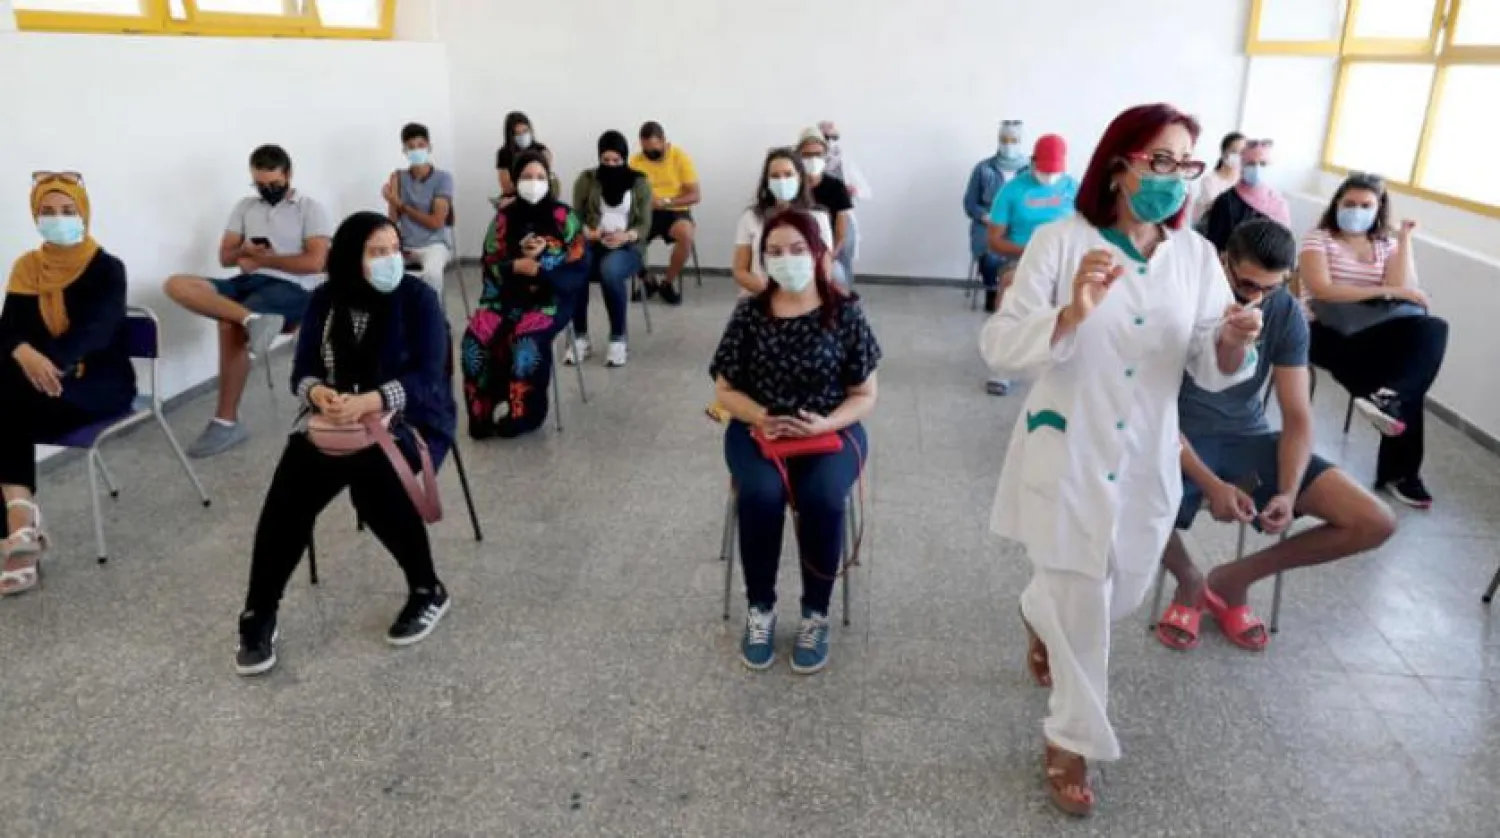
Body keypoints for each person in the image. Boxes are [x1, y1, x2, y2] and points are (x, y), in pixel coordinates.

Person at [979, 103, 1262, 816]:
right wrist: (1070, 313)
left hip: (1147, 459)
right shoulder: (1059, 242)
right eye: (1160, 160)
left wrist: (1235, 337)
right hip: (1066, 447)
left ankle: (1033, 607)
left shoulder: (1196, 257)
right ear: (1120, 164)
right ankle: (1070, 738)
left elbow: (1208, 360)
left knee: (1123, 589)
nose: (1174, 177)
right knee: (1084, 605)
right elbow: (1000, 347)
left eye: (1185, 164)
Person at [1154, 220, 1396, 652]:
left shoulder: (1283, 312)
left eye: (1270, 286)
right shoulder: (1183, 298)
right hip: (1171, 438)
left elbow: (1298, 415)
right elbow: (1152, 412)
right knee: (1122, 492)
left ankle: (1233, 580)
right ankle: (1188, 578)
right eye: (1246, 284)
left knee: (1374, 521)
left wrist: (1287, 490)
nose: (1255, 297)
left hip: (1247, 437)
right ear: (1223, 260)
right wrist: (1211, 484)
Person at [234, 211, 455, 676]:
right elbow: (304, 370)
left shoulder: (418, 298)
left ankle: (426, 589)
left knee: (373, 481)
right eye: (377, 252)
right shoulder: (325, 301)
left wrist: (373, 399)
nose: (390, 259)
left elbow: (430, 376)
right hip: (335, 422)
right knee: (288, 494)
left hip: (411, 419)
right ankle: (259, 611)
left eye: (394, 249)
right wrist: (318, 393)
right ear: (351, 257)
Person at [712, 209, 881, 675]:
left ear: (820, 253)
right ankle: (761, 609)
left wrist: (824, 425)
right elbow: (723, 391)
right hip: (757, 431)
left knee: (823, 498)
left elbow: (865, 395)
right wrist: (763, 417)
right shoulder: (749, 314)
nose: (785, 260)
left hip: (833, 432)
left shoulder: (844, 312)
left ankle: (815, 614)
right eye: (774, 251)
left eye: (797, 250)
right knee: (761, 496)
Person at [0, 173, 135, 596]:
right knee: (8, 401)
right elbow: (9, 330)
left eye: (67, 211)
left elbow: (97, 331)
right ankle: (20, 529)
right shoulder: (27, 268)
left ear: (84, 213)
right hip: (33, 382)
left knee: (5, 406)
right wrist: (23, 352)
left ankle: (19, 525)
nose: (58, 219)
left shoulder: (106, 268)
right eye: (47, 212)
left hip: (98, 380)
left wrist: (49, 362)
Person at [163, 144, 334, 458]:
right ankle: (252, 320)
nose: (267, 190)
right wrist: (245, 252)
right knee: (177, 284)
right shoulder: (245, 207)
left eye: (274, 184)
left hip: (295, 289)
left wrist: (268, 261)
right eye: (260, 184)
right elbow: (225, 257)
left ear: (288, 175)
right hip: (247, 282)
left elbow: (314, 263)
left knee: (229, 325)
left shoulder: (310, 208)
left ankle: (225, 422)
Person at [1301, 172, 1447, 509]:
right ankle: (1402, 473)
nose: (1356, 210)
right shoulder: (1319, 238)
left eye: (1365, 205)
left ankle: (1389, 398)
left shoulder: (1385, 243)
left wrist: (1405, 239)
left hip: (1373, 329)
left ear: (1378, 208)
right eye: (1349, 203)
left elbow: (1404, 284)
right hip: (1324, 328)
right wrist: (1387, 290)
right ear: (1336, 203)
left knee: (1433, 329)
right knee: (1398, 383)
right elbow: (1322, 289)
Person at [461, 150, 587, 438]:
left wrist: (543, 266)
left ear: (550, 180)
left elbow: (578, 264)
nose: (534, 183)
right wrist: (514, 265)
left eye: (540, 177)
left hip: (550, 299)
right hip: (504, 295)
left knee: (526, 339)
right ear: (516, 181)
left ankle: (524, 415)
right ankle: (481, 412)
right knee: (476, 337)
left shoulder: (564, 216)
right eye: (527, 177)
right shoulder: (504, 218)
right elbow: (490, 260)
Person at [982, 134, 1078, 396]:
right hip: (1019, 255)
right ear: (1033, 162)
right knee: (1011, 283)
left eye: (1055, 171)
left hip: (1065, 258)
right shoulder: (1012, 191)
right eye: (1045, 170)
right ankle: (1002, 365)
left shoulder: (1073, 188)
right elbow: (994, 241)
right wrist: (1034, 251)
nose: (1050, 176)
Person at [567, 130, 653, 368]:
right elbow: (574, 219)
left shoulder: (639, 181)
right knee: (575, 266)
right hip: (594, 242)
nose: (611, 165)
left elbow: (645, 224)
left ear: (625, 158)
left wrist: (626, 236)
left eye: (616, 160)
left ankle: (618, 338)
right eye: (606, 160)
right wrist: (589, 232)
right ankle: (580, 337)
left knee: (610, 270)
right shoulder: (587, 179)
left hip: (628, 248)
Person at [732, 148, 836, 295]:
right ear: (767, 182)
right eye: (775, 176)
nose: (782, 181)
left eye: (788, 175)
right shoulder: (751, 217)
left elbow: (825, 270)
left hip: (804, 298)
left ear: (799, 178)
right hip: (759, 297)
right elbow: (740, 271)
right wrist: (768, 293)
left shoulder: (819, 218)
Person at [630, 121, 699, 305]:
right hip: (647, 212)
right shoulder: (636, 161)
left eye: (654, 150)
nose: (650, 155)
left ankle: (667, 283)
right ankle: (648, 281)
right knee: (623, 236)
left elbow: (695, 195)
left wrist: (665, 202)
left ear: (664, 142)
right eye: (646, 150)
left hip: (674, 210)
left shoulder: (679, 157)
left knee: (686, 234)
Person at [384, 122, 454, 297]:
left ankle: (435, 319)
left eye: (421, 145)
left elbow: (436, 222)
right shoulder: (398, 177)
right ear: (404, 151)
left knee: (431, 274)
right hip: (405, 244)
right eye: (411, 147)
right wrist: (392, 202)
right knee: (383, 273)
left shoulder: (442, 178)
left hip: (434, 244)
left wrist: (401, 205)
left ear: (429, 147)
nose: (416, 150)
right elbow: (392, 221)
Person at [964, 120, 1027, 310]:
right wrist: (985, 217)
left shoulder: (1028, 172)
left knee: (1032, 251)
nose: (1009, 144)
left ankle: (1020, 295)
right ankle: (992, 290)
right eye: (1005, 139)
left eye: (1013, 140)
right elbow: (969, 204)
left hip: (1019, 225)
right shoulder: (983, 169)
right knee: (991, 257)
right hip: (987, 226)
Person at [1198, 139, 1289, 252]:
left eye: (1263, 164)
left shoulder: (1278, 204)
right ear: (1242, 166)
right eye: (1251, 164)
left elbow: (1283, 245)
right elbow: (1214, 247)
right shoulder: (1226, 202)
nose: (1257, 168)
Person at [796, 127, 854, 287]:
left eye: (817, 154)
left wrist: (830, 255)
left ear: (825, 156)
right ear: (798, 157)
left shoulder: (836, 187)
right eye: (806, 155)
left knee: (838, 277)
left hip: (828, 245)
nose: (812, 159)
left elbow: (841, 231)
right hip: (797, 248)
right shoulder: (792, 185)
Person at [818, 120, 871, 282]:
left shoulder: (845, 161)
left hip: (842, 218)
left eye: (833, 137)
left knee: (843, 261)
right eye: (825, 137)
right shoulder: (806, 162)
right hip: (818, 217)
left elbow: (866, 191)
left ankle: (845, 298)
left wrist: (853, 191)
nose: (829, 141)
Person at [494, 111, 552, 200]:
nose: (533, 182)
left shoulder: (543, 151)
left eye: (525, 131)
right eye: (517, 133)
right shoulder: (504, 153)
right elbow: (507, 188)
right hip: (514, 201)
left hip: (543, 200)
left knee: (563, 213)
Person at [1191, 131, 1245, 222]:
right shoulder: (1210, 180)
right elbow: (1219, 208)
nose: (1239, 156)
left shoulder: (1243, 181)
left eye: (1243, 153)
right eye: (1235, 152)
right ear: (1223, 153)